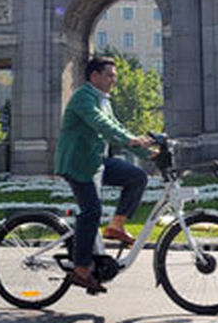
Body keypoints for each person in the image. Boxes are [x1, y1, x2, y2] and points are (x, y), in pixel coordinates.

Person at [53, 56, 152, 294]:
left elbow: (117, 128)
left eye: (115, 76)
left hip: (96, 161)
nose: (114, 81)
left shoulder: (104, 100)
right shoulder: (83, 97)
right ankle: (81, 269)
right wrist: (129, 139)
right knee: (92, 211)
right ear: (94, 76)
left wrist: (151, 152)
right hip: (78, 163)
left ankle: (116, 226)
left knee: (137, 177)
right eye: (110, 76)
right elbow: (100, 124)